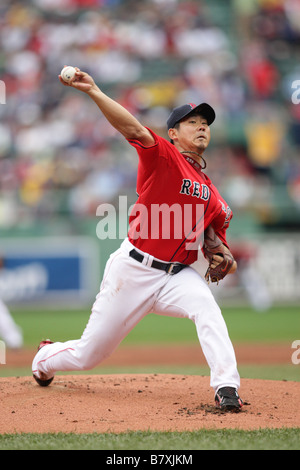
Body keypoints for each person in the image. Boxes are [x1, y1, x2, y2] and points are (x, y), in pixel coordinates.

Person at [32, 68, 244, 412]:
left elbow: (216, 242)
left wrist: (224, 256)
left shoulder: (213, 195)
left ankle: (226, 387)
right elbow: (131, 128)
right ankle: (44, 357)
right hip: (133, 270)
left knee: (207, 308)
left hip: (177, 275)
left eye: (206, 121)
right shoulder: (163, 155)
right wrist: (94, 91)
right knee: (88, 355)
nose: (203, 125)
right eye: (193, 121)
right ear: (173, 133)